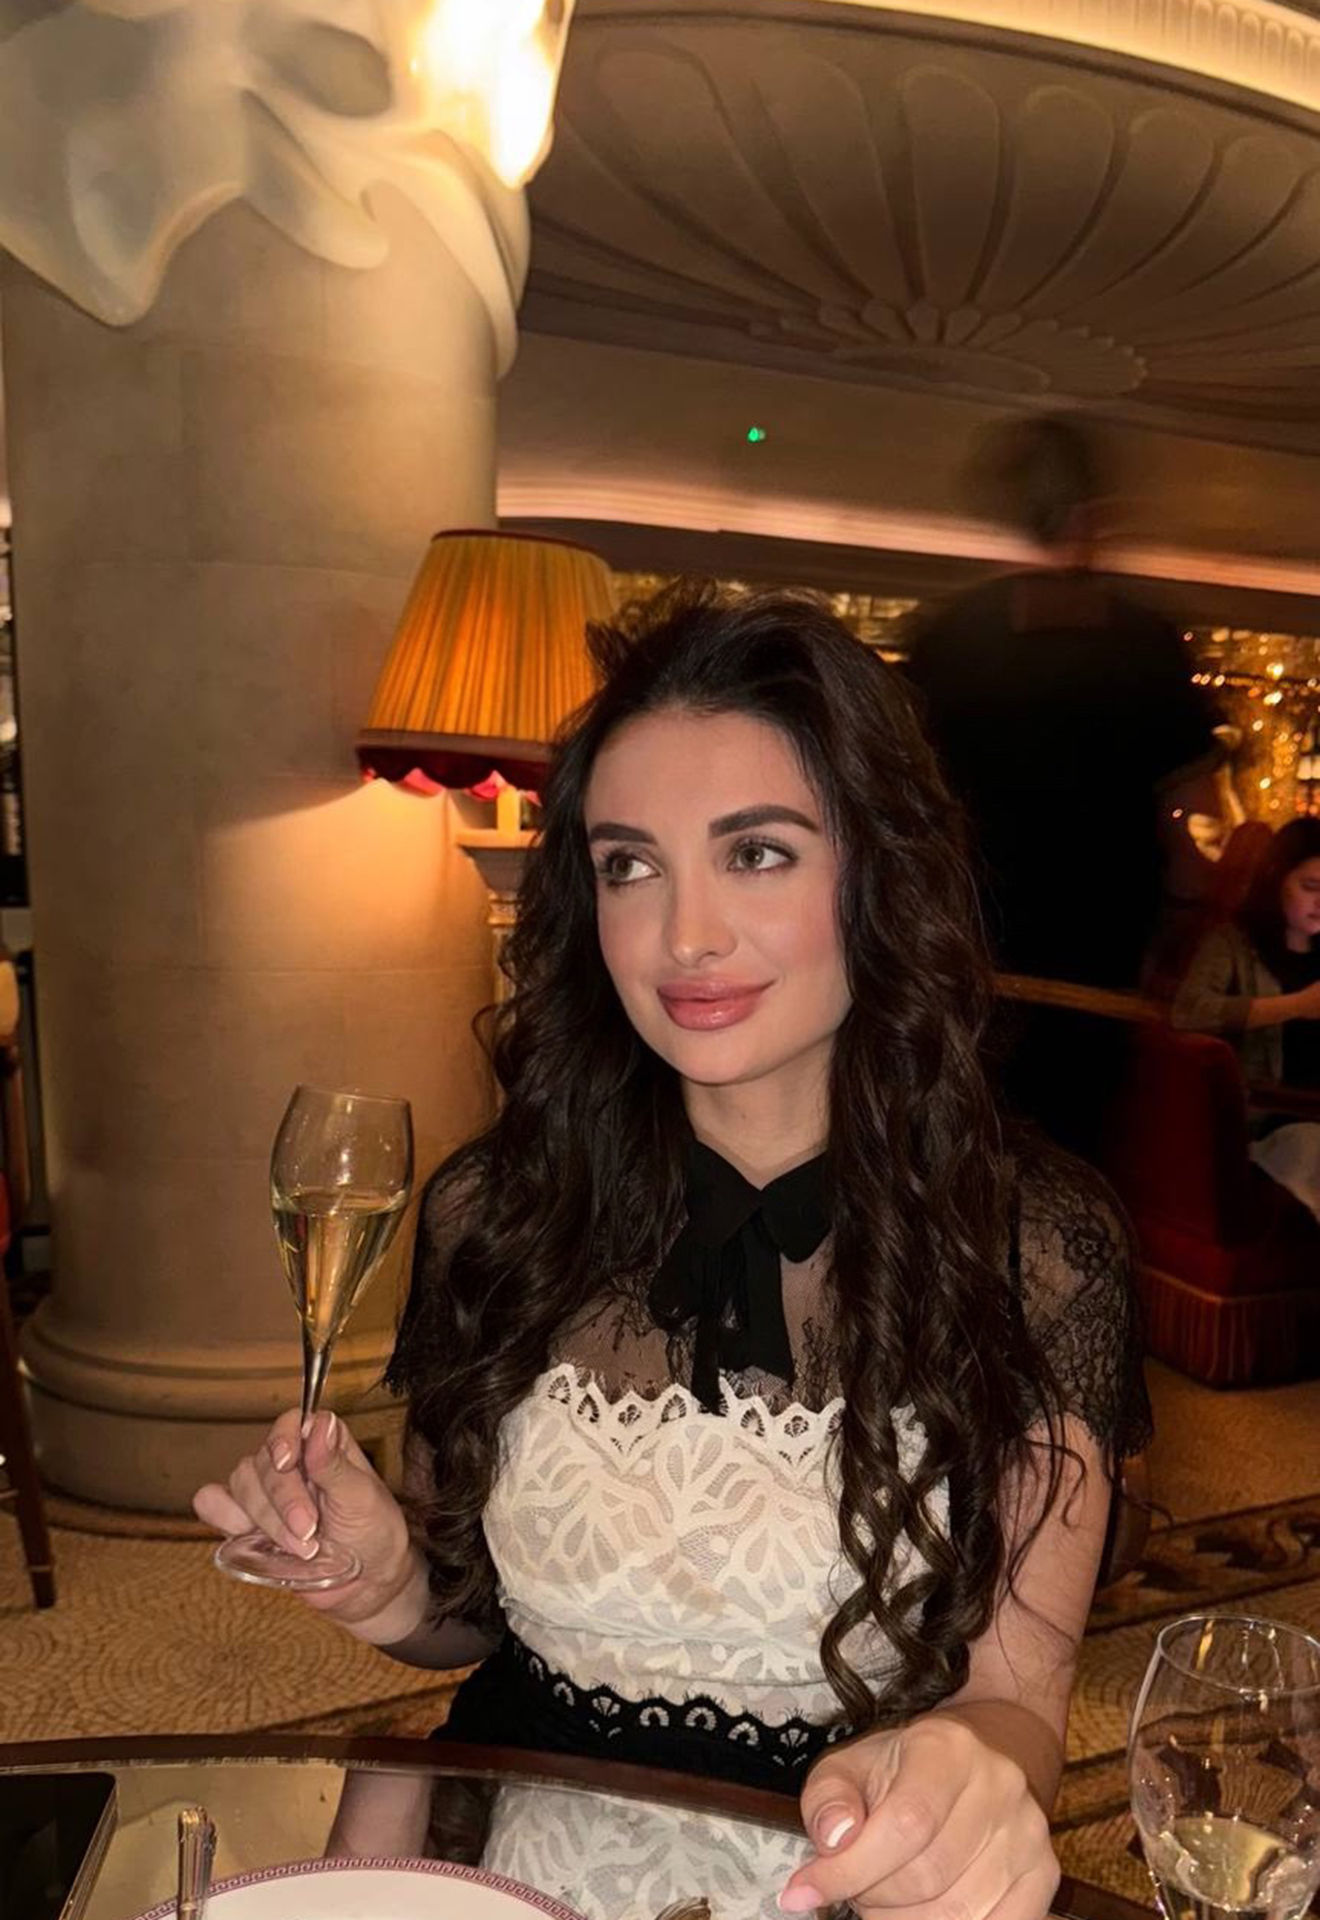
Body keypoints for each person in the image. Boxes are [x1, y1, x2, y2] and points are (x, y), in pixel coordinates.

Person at [196, 582, 1148, 1920]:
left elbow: (1015, 1705)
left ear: (879, 874)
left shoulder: (1036, 1245)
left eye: (756, 852)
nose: (683, 935)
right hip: (520, 1876)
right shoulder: (497, 1210)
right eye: (629, 865)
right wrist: (385, 1579)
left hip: (841, 1882)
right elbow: (468, 1623)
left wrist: (972, 1767)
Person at [906, 412, 1218, 993]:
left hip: (968, 952)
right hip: (1104, 952)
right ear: (1091, 513)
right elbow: (1196, 818)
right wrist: (1181, 931)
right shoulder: (1146, 643)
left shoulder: (947, 639)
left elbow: (902, 805)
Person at [1172, 815, 1320, 1217]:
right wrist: (1296, 1005)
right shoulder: (1233, 942)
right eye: (1310, 887)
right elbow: (1188, 1010)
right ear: (1277, 880)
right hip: (1272, 1120)